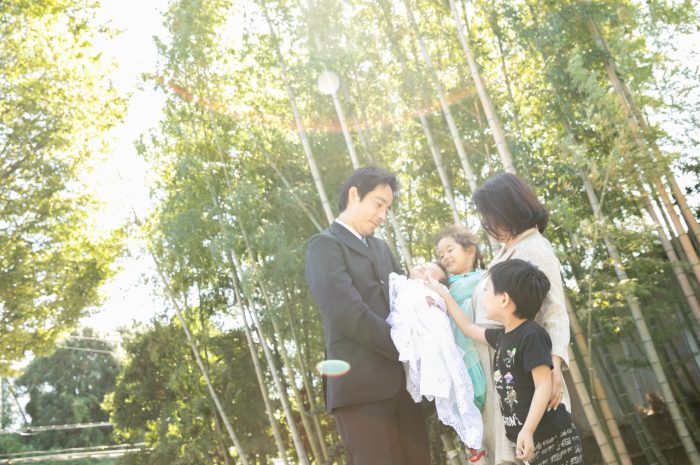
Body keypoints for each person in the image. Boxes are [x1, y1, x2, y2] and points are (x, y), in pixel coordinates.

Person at [305, 166, 431, 465]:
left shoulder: (381, 248)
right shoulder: (324, 246)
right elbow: (346, 311)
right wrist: (401, 345)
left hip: (403, 386)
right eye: (378, 204)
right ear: (353, 195)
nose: (383, 215)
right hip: (360, 389)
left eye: (388, 208)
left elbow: (404, 302)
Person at [427, 259, 583, 465]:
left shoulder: (531, 335)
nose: (482, 297)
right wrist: (444, 296)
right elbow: (468, 328)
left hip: (553, 438)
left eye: (487, 290)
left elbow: (543, 385)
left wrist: (527, 430)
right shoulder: (503, 337)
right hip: (532, 441)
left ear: (504, 300)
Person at [469, 172, 572, 465]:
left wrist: (553, 368)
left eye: (488, 212)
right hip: (504, 378)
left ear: (505, 208)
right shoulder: (506, 252)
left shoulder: (533, 247)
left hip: (527, 382)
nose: (486, 221)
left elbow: (554, 313)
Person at [387, 262, 484, 452]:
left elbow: (440, 327)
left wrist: (437, 301)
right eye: (424, 265)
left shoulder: (433, 296)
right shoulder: (399, 284)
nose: (423, 268)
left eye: (431, 272)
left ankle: (474, 443)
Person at [434, 226, 488, 463]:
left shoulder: (489, 279)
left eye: (449, 250)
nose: (445, 257)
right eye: (440, 255)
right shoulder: (443, 290)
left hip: (490, 354)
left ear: (470, 251)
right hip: (462, 362)